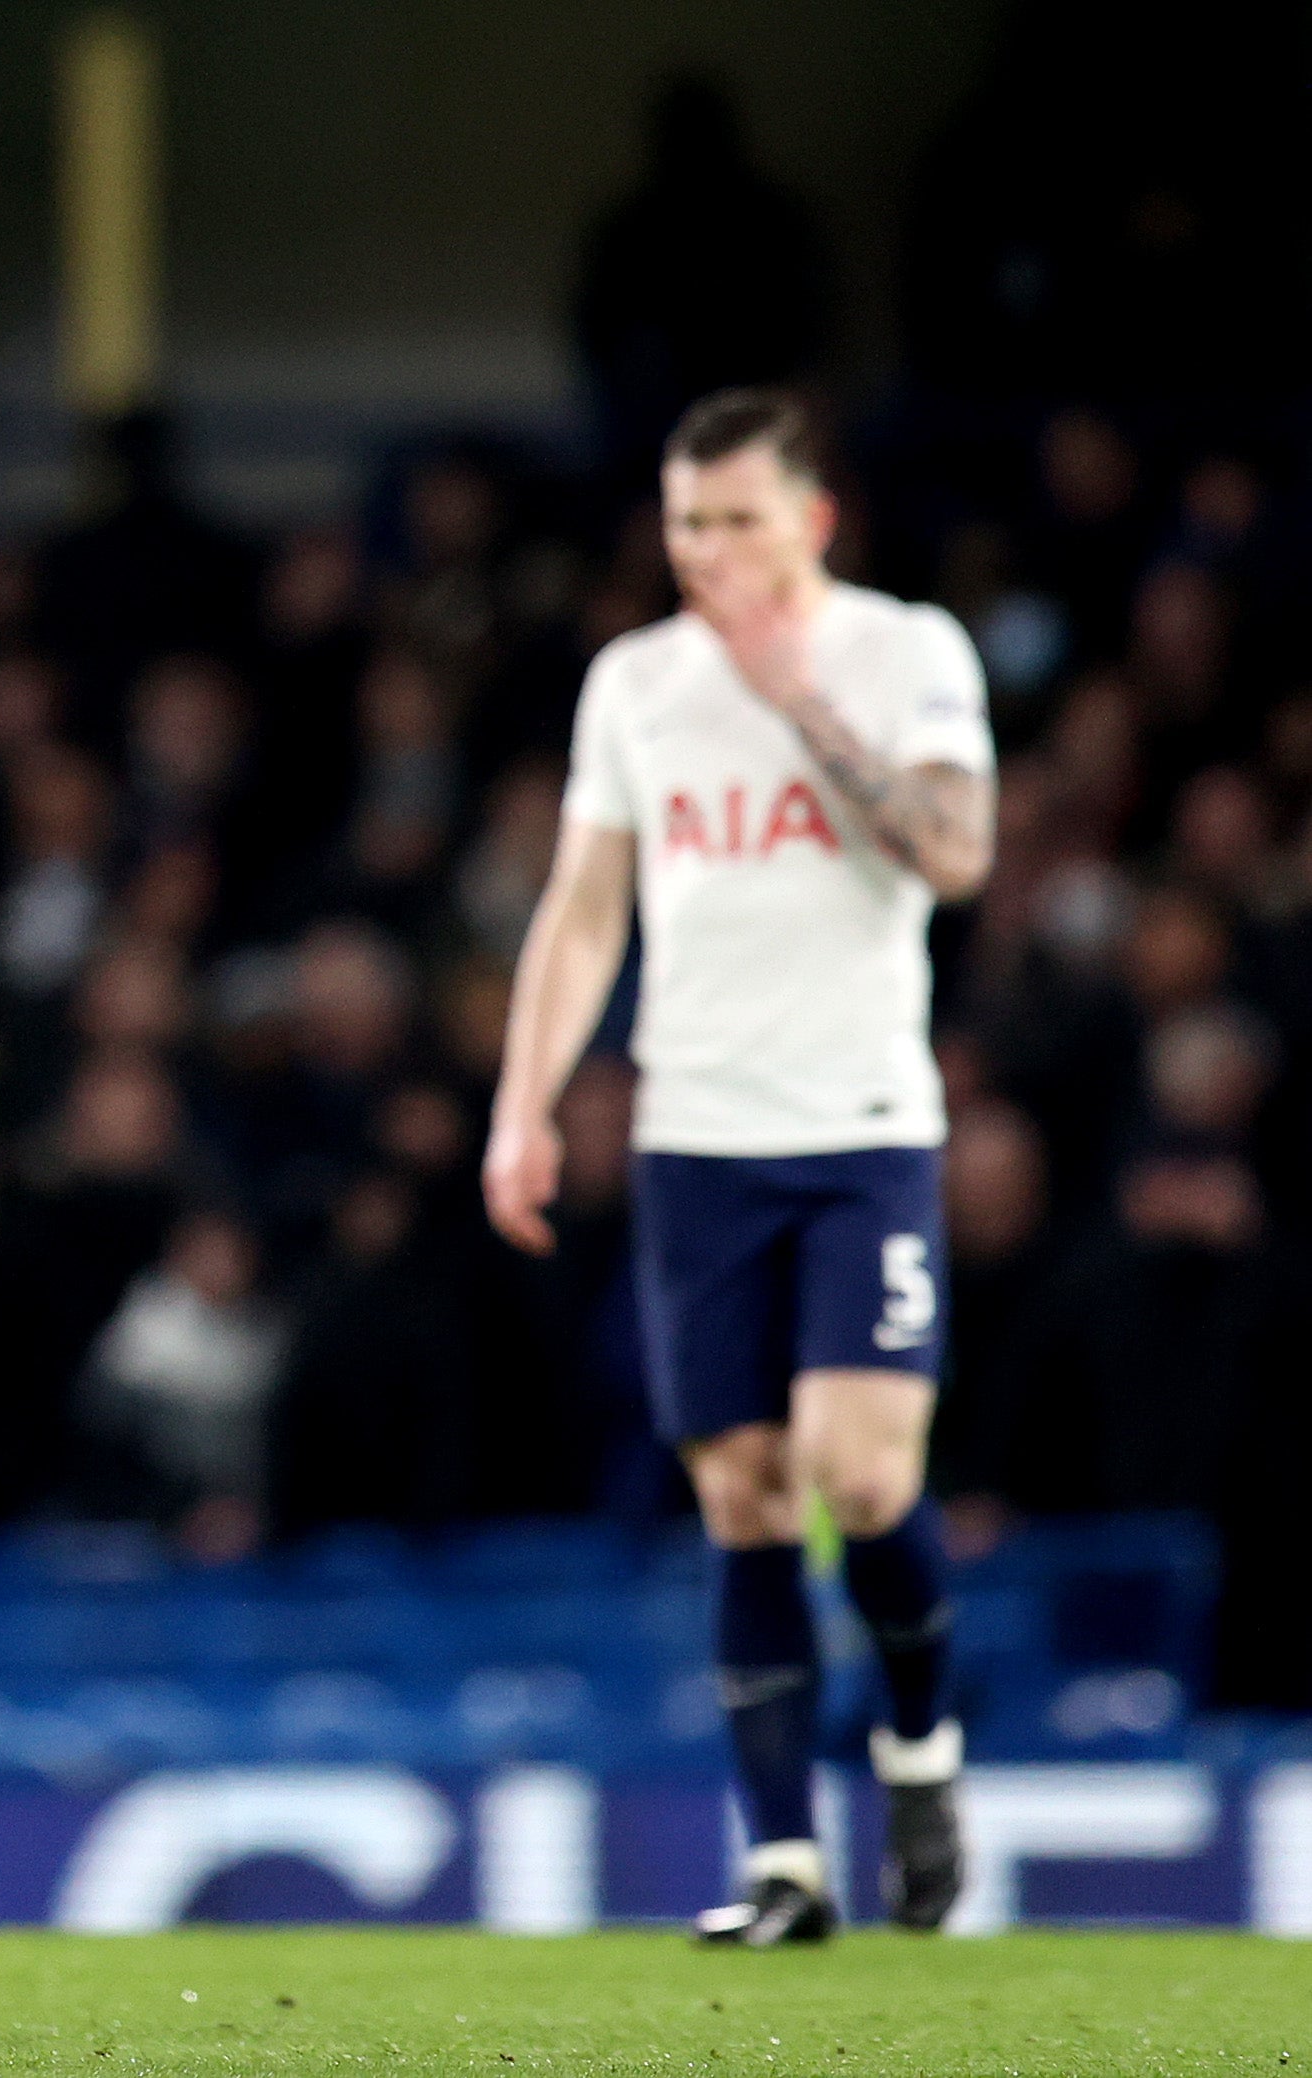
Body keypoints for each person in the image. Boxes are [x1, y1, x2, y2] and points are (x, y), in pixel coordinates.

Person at [482, 389, 994, 1948]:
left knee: (863, 1474)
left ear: (812, 520)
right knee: (745, 1494)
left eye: (737, 521)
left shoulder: (906, 653)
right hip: (697, 1138)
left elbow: (954, 854)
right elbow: (584, 909)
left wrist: (799, 705)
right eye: (685, 522)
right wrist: (523, 1103)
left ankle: (916, 1745)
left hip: (858, 1130)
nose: (705, 552)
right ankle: (783, 1860)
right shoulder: (633, 682)